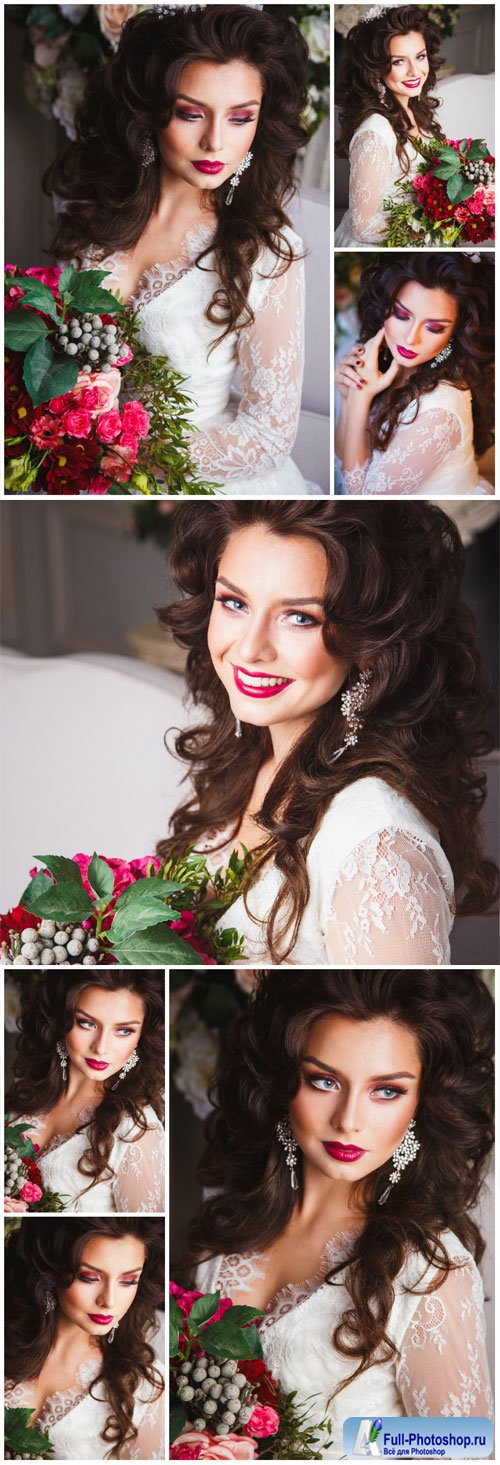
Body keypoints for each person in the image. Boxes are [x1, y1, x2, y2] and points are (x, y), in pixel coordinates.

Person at [157, 499, 497, 966]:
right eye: (234, 602)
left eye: (300, 617)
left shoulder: (377, 845)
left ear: (369, 644)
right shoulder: (252, 758)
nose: (250, 648)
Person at [182, 970, 494, 1458]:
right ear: (284, 1082)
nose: (348, 1119)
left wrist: (330, 1447)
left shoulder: (426, 1271)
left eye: (386, 1090)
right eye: (323, 1081)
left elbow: (466, 1446)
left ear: (420, 1104)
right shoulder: (227, 1231)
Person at [44, 5, 321, 495]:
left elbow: (268, 438)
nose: (215, 141)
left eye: (240, 118)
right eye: (191, 113)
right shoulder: (92, 214)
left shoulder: (264, 253)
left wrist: (131, 456)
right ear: (151, 113)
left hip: (206, 492)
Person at [5, 1217, 164, 1460]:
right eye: (89, 1277)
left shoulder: (143, 1384)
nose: (109, 1300)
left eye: (128, 1281)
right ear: (52, 1272)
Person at [4, 972, 165, 1213]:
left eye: (123, 1031)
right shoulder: (29, 1091)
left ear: (141, 1036)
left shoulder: (137, 1130)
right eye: (87, 1024)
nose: (101, 1047)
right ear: (61, 1022)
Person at [335, 253, 494, 496]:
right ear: (385, 307)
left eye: (434, 328)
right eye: (401, 315)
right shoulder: (379, 361)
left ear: (456, 332)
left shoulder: (440, 410)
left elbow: (360, 494)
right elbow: (341, 455)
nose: (411, 338)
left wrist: (360, 397)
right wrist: (349, 397)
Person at [335, 4, 446, 246]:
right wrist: (432, 226)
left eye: (420, 56)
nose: (414, 71)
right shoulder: (374, 133)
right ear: (376, 69)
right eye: (398, 62)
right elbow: (362, 227)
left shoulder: (415, 107)